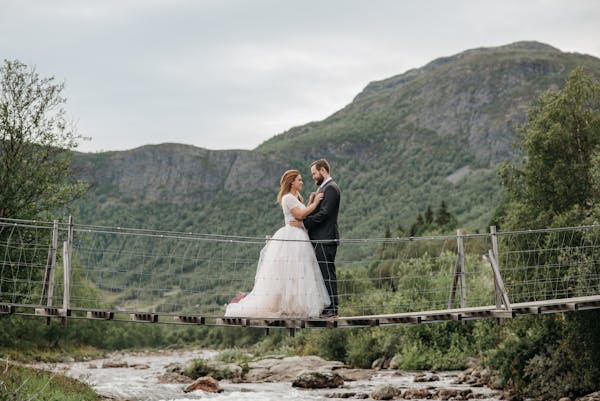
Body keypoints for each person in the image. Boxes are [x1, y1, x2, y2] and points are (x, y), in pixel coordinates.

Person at [224, 170, 330, 318]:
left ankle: (296, 305)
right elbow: (300, 215)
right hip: (292, 236)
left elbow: (303, 212)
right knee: (290, 271)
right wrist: (316, 202)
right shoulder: (287, 197)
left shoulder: (296, 197)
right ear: (292, 182)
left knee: (298, 272)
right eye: (299, 180)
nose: (302, 182)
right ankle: (287, 305)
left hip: (299, 235)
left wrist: (311, 201)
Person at [295, 159, 341, 318]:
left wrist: (305, 223)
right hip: (320, 239)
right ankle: (329, 307)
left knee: (327, 273)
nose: (313, 177)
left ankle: (333, 308)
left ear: (322, 171)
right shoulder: (324, 188)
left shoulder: (331, 189)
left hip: (326, 238)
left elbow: (324, 214)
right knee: (323, 274)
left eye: (314, 173)